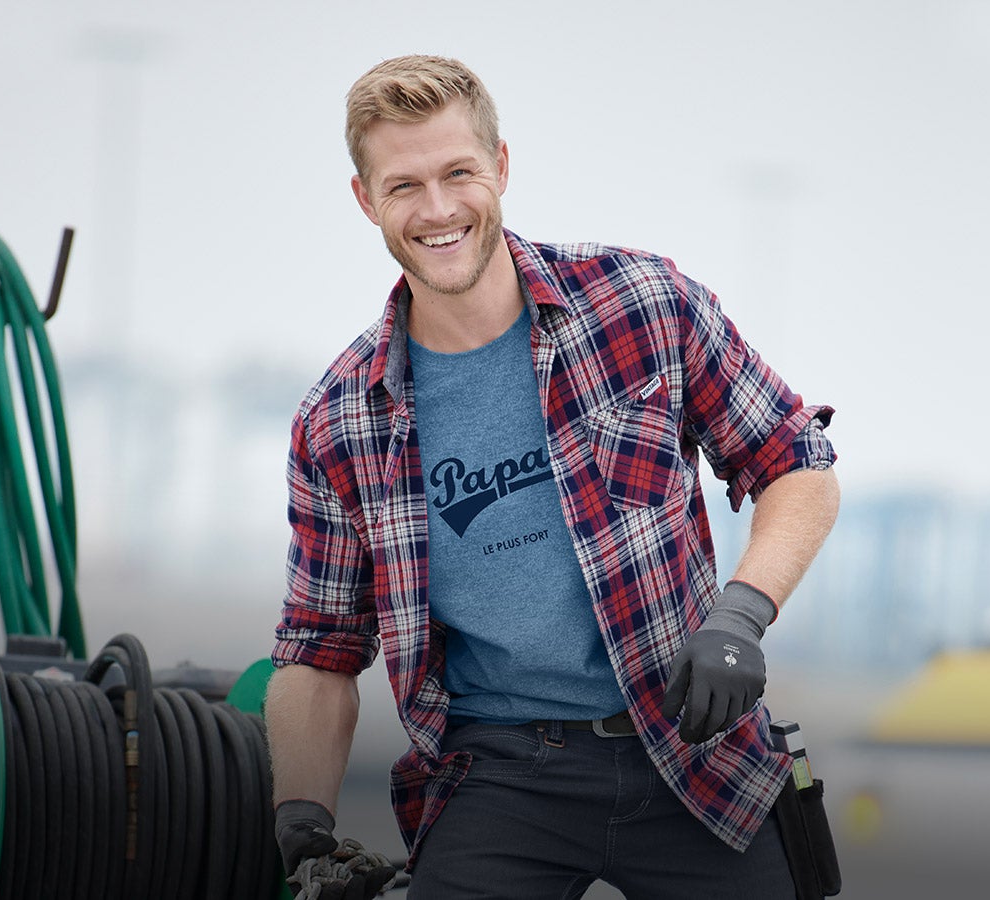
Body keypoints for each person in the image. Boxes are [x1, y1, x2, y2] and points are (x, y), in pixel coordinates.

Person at [265, 54, 840, 900]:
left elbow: (796, 462)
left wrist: (741, 618)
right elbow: (320, 648)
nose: (437, 209)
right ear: (365, 200)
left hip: (697, 755)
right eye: (403, 186)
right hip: (501, 776)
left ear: (501, 166)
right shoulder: (340, 421)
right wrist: (301, 823)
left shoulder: (642, 304)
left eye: (458, 172)